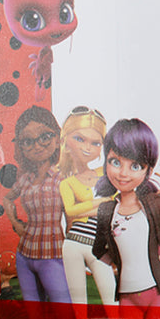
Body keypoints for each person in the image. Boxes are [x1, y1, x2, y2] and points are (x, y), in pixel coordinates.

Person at [92, 118, 160, 319]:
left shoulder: (155, 203)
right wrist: (118, 263)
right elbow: (97, 250)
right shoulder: (106, 211)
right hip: (127, 297)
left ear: (148, 171)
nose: (123, 173)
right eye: (115, 162)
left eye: (135, 166)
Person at [2, 106, 71, 305]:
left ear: (57, 139)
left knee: (63, 308)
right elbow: (7, 199)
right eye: (27, 141)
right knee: (33, 311)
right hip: (24, 254)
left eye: (44, 137)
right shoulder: (26, 179)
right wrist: (15, 222)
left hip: (53, 255)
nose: (37, 146)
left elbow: (72, 218)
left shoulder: (63, 179)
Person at [58, 106, 117, 308]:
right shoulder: (67, 183)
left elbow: (114, 204)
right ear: (65, 141)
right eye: (79, 139)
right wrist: (100, 203)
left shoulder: (106, 174)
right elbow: (70, 211)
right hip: (73, 244)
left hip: (99, 245)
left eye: (95, 143)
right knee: (78, 304)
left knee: (112, 300)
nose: (87, 148)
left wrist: (86, 208)